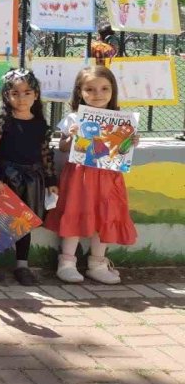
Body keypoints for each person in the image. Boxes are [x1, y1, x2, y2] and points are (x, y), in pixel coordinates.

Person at [46, 65, 137, 284]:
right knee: (76, 212)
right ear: (80, 92)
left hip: (109, 177)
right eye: (90, 89)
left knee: (105, 216)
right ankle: (66, 262)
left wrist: (130, 141)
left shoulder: (121, 120)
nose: (98, 94)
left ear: (113, 90)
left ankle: (97, 263)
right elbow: (64, 148)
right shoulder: (74, 118)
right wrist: (71, 137)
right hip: (80, 177)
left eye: (105, 89)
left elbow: (120, 151)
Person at [0, 69, 58, 286]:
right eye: (15, 93)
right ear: (6, 95)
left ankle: (22, 265)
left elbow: (45, 153)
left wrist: (51, 181)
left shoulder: (40, 123)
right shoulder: (3, 122)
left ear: (36, 94)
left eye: (27, 92)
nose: (21, 98)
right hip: (6, 179)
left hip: (32, 179)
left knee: (24, 222)